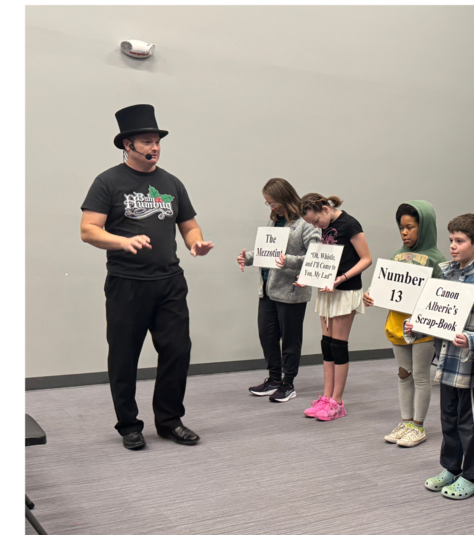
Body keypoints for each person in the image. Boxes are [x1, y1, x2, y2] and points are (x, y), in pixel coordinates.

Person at [79, 104, 213, 450]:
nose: (154, 148)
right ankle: (129, 425)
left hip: (169, 282)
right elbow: (88, 231)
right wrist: (122, 241)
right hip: (127, 283)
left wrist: (195, 244)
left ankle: (169, 421)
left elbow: (189, 225)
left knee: (177, 350)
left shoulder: (171, 183)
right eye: (147, 142)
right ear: (128, 145)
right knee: (124, 356)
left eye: (157, 142)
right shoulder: (108, 182)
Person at [403, 214, 474, 500]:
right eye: (451, 240)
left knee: (467, 422)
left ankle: (473, 476)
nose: (452, 246)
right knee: (448, 419)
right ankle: (451, 468)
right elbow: (435, 314)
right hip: (446, 362)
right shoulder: (445, 275)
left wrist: (472, 340)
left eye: (459, 241)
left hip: (470, 366)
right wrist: (416, 324)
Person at [363, 201, 445, 448]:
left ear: (425, 227)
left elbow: (440, 297)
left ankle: (418, 426)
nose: (405, 232)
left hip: (421, 329)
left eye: (410, 227)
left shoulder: (436, 260)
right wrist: (372, 295)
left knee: (421, 376)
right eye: (401, 227)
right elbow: (387, 288)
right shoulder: (396, 256)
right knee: (403, 375)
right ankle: (406, 421)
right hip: (396, 325)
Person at [237, 178, 321, 403]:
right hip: (268, 290)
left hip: (292, 292)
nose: (271, 207)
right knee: (267, 336)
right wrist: (248, 257)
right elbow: (268, 253)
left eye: (273, 202)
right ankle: (274, 378)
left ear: (285, 197)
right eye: (268, 204)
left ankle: (288, 383)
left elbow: (316, 256)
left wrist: (288, 261)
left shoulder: (305, 224)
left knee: (291, 340)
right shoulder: (274, 222)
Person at [298, 194, 372, 422]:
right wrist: (307, 276)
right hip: (326, 290)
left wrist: (341, 278)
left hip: (345, 290)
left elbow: (366, 258)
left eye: (316, 221)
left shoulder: (350, 224)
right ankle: (327, 396)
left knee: (339, 345)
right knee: (327, 345)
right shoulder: (322, 226)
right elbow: (321, 258)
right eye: (311, 223)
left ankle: (338, 401)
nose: (315, 226)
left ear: (325, 209)